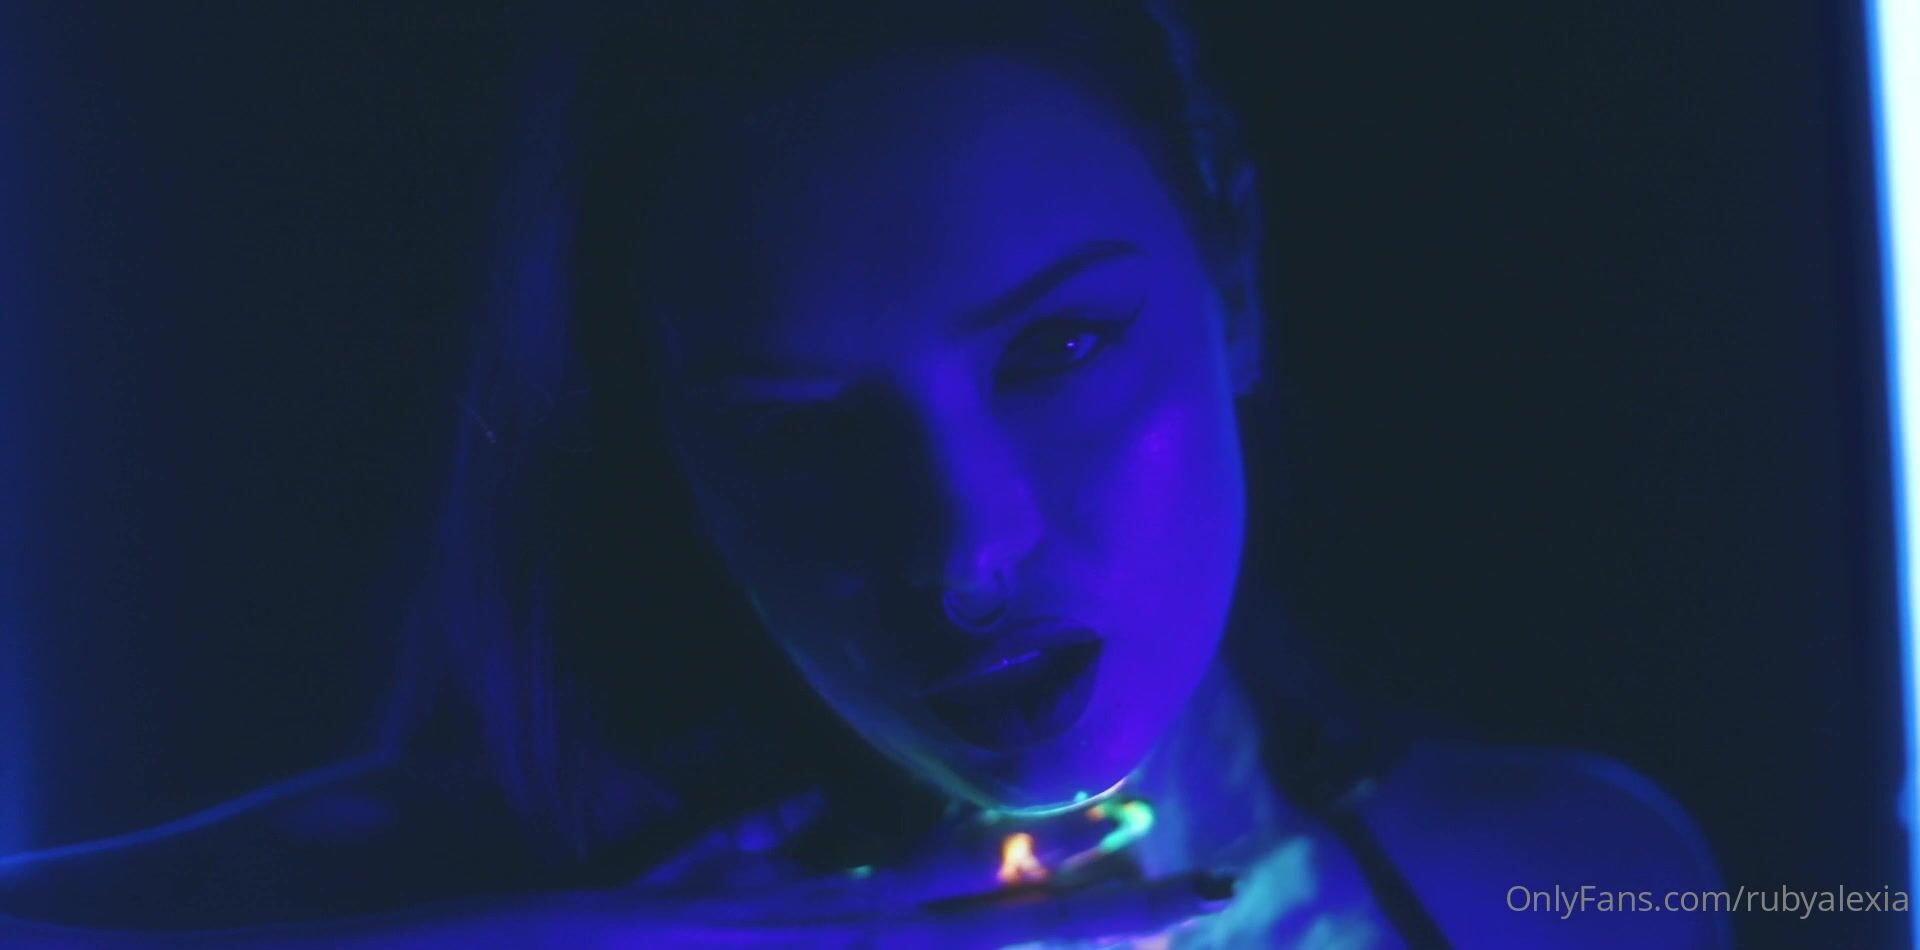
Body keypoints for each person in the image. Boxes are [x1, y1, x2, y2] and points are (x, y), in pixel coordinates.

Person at [0, 2, 1727, 946]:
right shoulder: (456, 887)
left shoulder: (1571, 884)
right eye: (795, 426)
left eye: (1059, 348)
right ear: (675, 455)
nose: (965, 551)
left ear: (1238, 278)